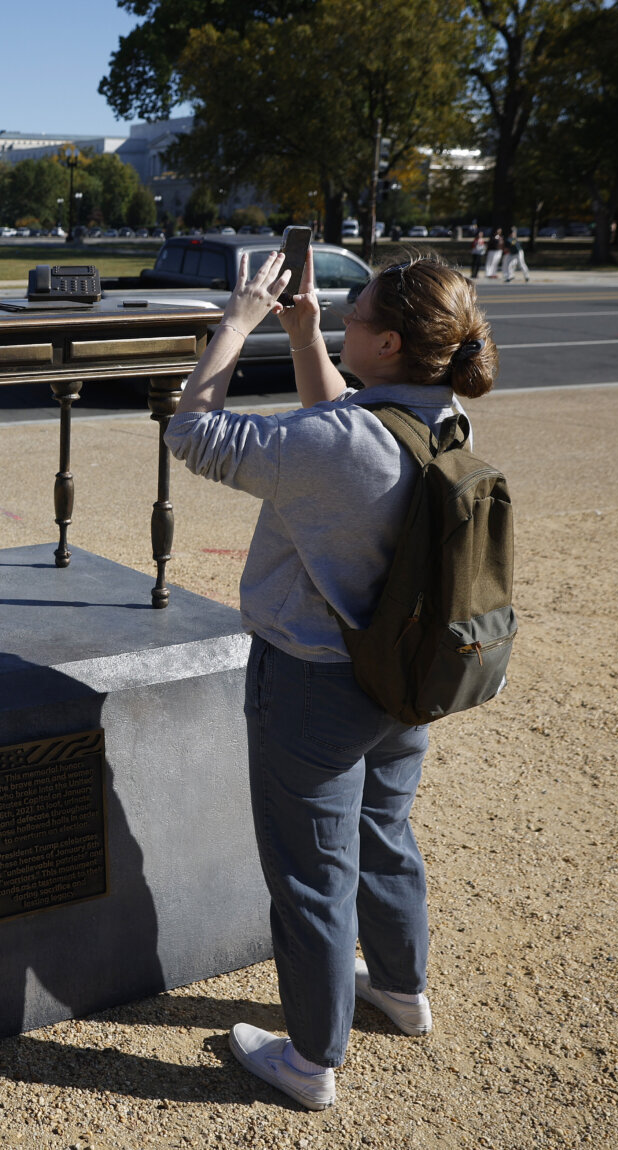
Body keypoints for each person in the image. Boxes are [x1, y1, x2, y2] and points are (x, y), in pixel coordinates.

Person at [163, 248, 499, 1111]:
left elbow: (191, 434)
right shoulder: (445, 418)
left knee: (310, 871)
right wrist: (309, 338)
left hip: (313, 681)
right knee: (385, 834)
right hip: (402, 671)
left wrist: (234, 327)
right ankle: (400, 989)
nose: (340, 317)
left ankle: (311, 1062)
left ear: (387, 342)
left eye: (352, 315)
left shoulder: (332, 443)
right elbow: (350, 434)